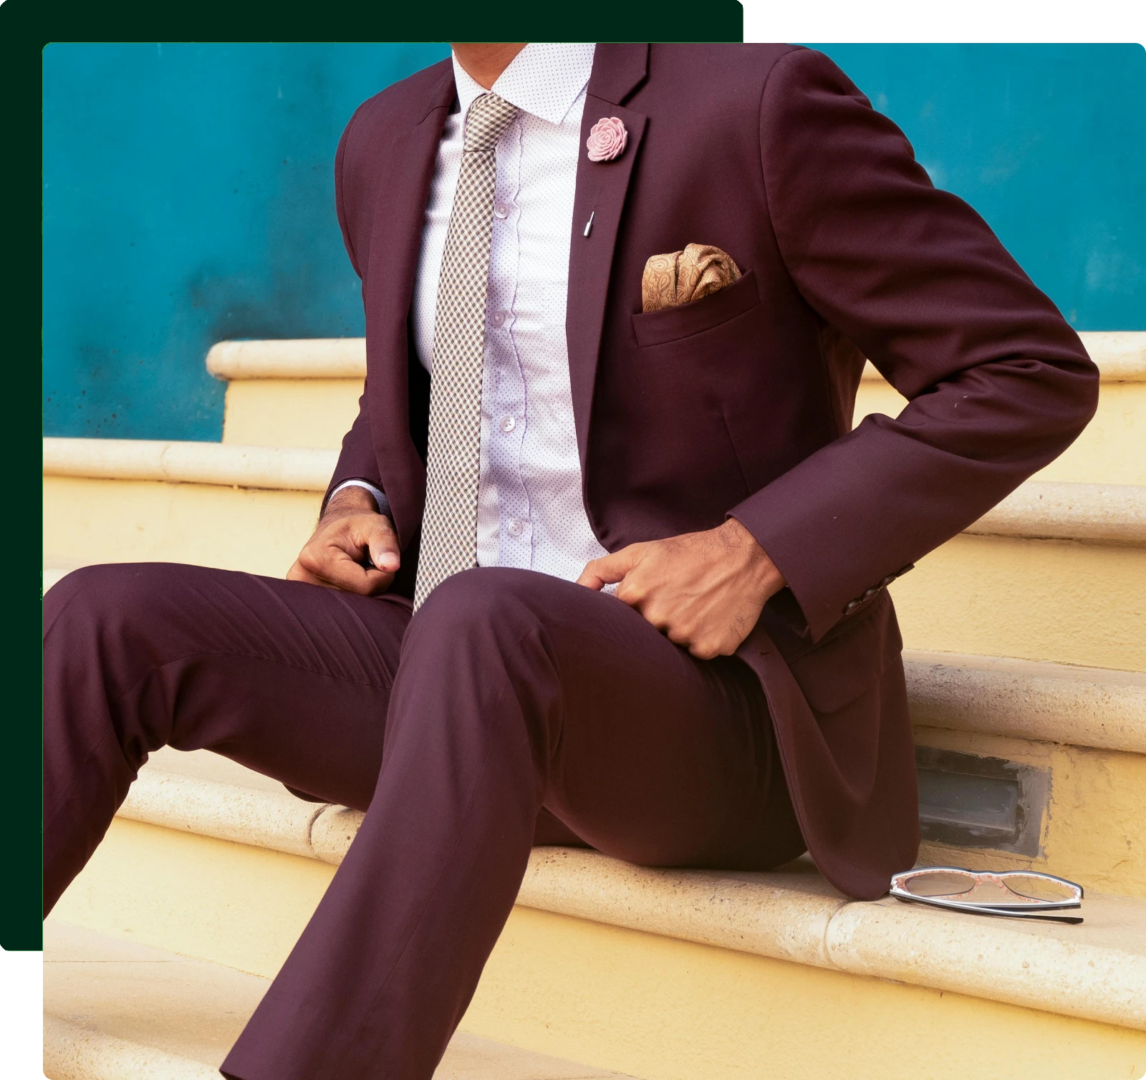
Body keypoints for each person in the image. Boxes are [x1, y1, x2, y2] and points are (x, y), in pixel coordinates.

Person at [43, 42, 1098, 1080]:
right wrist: (357, 497)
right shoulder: (385, 137)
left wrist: (757, 551)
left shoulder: (756, 104)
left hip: (714, 711)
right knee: (101, 617)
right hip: (458, 696)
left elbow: (1023, 370)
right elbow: (419, 383)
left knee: (484, 623)